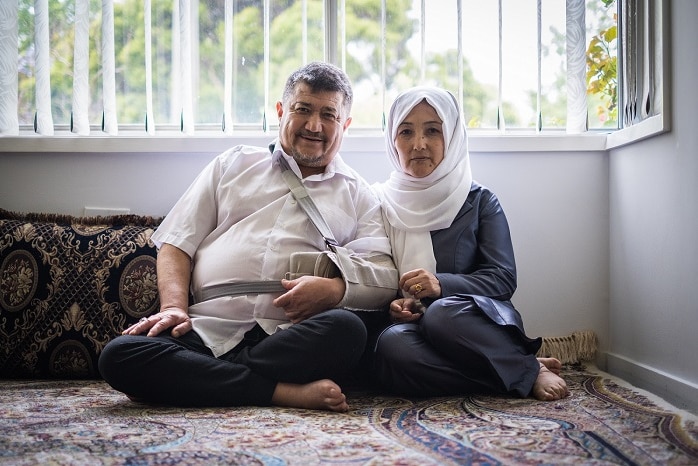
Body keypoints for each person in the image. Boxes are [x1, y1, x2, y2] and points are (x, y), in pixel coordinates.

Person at [98, 62, 397, 412]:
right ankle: (281, 393)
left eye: (328, 115)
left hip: (288, 337)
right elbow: (177, 243)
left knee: (347, 329)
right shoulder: (233, 164)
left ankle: (191, 380)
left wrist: (335, 290)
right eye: (303, 110)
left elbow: (385, 276)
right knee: (119, 355)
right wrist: (174, 309)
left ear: (345, 125)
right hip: (207, 329)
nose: (314, 126)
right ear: (281, 111)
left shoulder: (360, 194)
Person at [371, 86, 568, 401]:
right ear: (392, 140)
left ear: (452, 137)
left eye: (433, 131)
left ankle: (520, 366)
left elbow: (503, 280)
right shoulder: (378, 201)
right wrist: (395, 305)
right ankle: (519, 369)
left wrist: (440, 285)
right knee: (392, 348)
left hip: (473, 322)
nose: (418, 144)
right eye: (406, 131)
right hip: (416, 327)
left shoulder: (479, 201)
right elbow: (372, 273)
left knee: (442, 314)